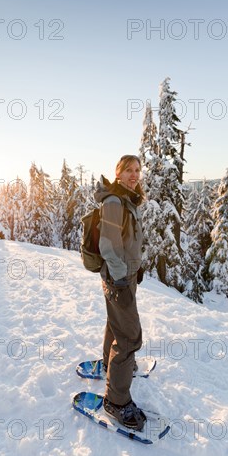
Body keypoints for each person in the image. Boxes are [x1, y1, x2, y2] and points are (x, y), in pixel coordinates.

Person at [94, 154, 146, 431]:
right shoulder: (114, 202)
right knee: (129, 337)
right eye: (128, 170)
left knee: (117, 325)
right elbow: (108, 245)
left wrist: (136, 267)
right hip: (118, 279)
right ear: (118, 173)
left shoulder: (128, 199)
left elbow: (128, 242)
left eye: (137, 170)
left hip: (125, 276)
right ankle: (116, 401)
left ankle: (109, 364)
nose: (134, 175)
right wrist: (120, 279)